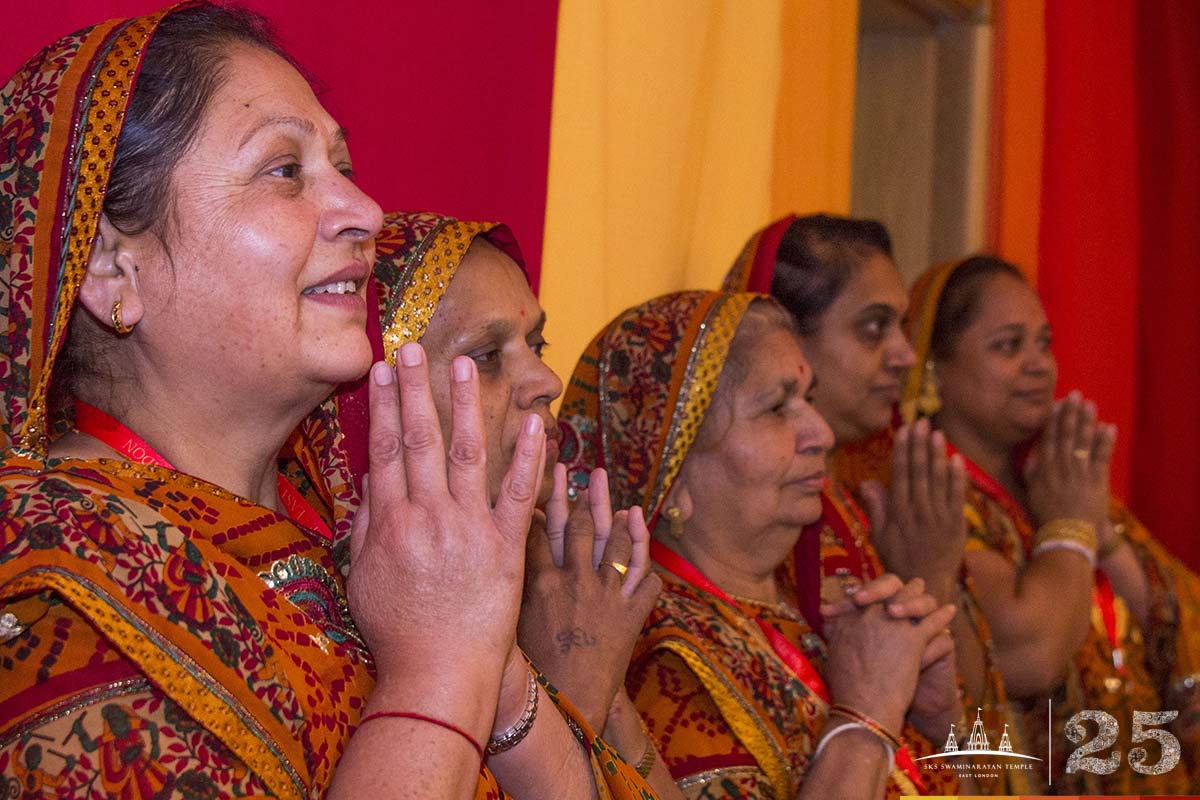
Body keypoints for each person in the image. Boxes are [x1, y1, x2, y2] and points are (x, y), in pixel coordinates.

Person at [0, 6, 648, 798]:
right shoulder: (53, 576)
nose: (366, 212)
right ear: (111, 271)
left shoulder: (362, 544)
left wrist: (497, 673)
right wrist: (442, 667)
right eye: (285, 170)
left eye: (341, 165)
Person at [559, 289, 962, 798]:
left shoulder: (815, 603)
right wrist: (867, 717)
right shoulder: (661, 665)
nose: (820, 433)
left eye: (809, 400)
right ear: (673, 475)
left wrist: (940, 719)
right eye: (777, 408)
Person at [368, 209, 676, 796]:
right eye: (488, 355)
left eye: (537, 343)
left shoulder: (551, 589)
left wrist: (610, 705)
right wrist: (579, 692)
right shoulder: (351, 618)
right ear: (375, 395)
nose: (545, 379)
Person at [721, 216, 1015, 791]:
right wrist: (927, 575)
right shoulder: (750, 524)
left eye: (902, 327)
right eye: (874, 328)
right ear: (787, 337)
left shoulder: (864, 500)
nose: (906, 355)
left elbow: (964, 708)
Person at [896, 254, 1200, 793]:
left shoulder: (1051, 476)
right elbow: (1026, 655)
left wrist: (1101, 536)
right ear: (934, 366)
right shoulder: (930, 498)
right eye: (1009, 345)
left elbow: (1178, 614)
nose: (1039, 363)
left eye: (1044, 342)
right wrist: (1072, 527)